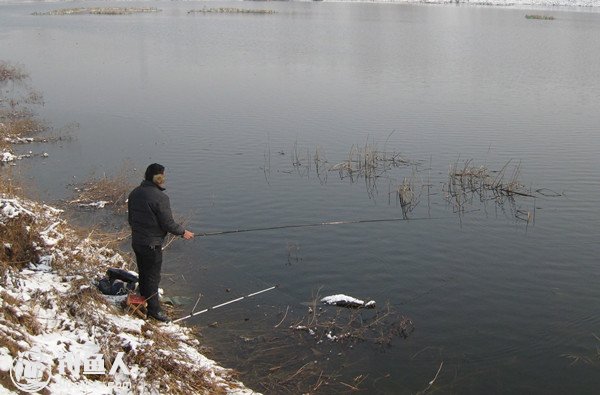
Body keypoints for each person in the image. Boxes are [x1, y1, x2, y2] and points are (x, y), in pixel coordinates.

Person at [128, 163, 194, 322]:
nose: (164, 179)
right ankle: (154, 310)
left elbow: (131, 220)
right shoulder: (160, 197)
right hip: (151, 244)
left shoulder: (135, 193)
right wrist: (183, 232)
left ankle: (144, 299)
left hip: (137, 241)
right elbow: (168, 223)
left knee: (144, 272)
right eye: (162, 175)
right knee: (152, 277)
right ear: (157, 177)